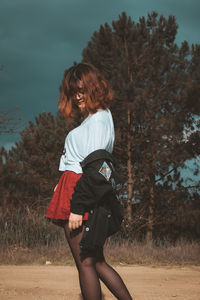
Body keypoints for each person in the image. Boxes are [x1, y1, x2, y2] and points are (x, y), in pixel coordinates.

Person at [45, 63, 133, 300]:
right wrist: (61, 183)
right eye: (74, 91)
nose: (78, 96)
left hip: (80, 195)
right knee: (96, 261)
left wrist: (77, 207)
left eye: (82, 90)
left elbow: (99, 170)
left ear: (94, 87)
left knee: (85, 262)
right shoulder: (95, 118)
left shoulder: (98, 120)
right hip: (75, 190)